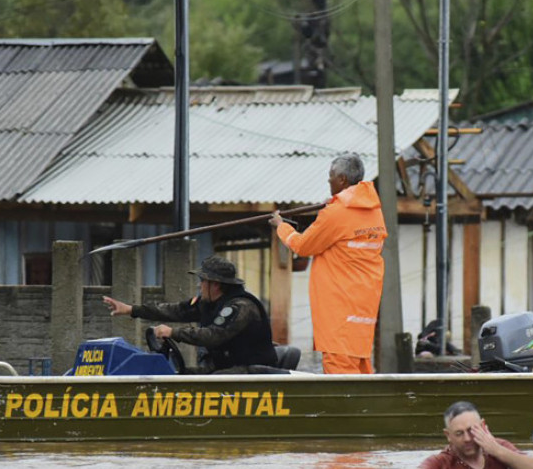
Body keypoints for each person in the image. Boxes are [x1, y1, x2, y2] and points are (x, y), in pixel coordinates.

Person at [268, 153, 387, 375]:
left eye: (330, 177)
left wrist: (281, 226)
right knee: (361, 366)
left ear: (342, 179)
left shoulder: (337, 213)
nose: (328, 181)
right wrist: (331, 207)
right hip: (363, 307)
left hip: (339, 307)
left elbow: (303, 245)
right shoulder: (373, 210)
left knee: (340, 373)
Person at [102, 255, 278, 373]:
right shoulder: (210, 303)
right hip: (225, 367)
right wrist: (132, 309)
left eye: (202, 281)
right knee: (184, 375)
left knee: (205, 385)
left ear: (215, 284)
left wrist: (172, 332)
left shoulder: (240, 307)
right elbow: (177, 310)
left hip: (250, 371)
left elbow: (212, 336)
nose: (199, 286)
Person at [398, 400, 533, 469]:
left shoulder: (499, 448)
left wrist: (498, 451)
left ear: (483, 426)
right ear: (448, 436)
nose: (467, 439)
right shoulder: (443, 462)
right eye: (459, 433)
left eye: (472, 430)